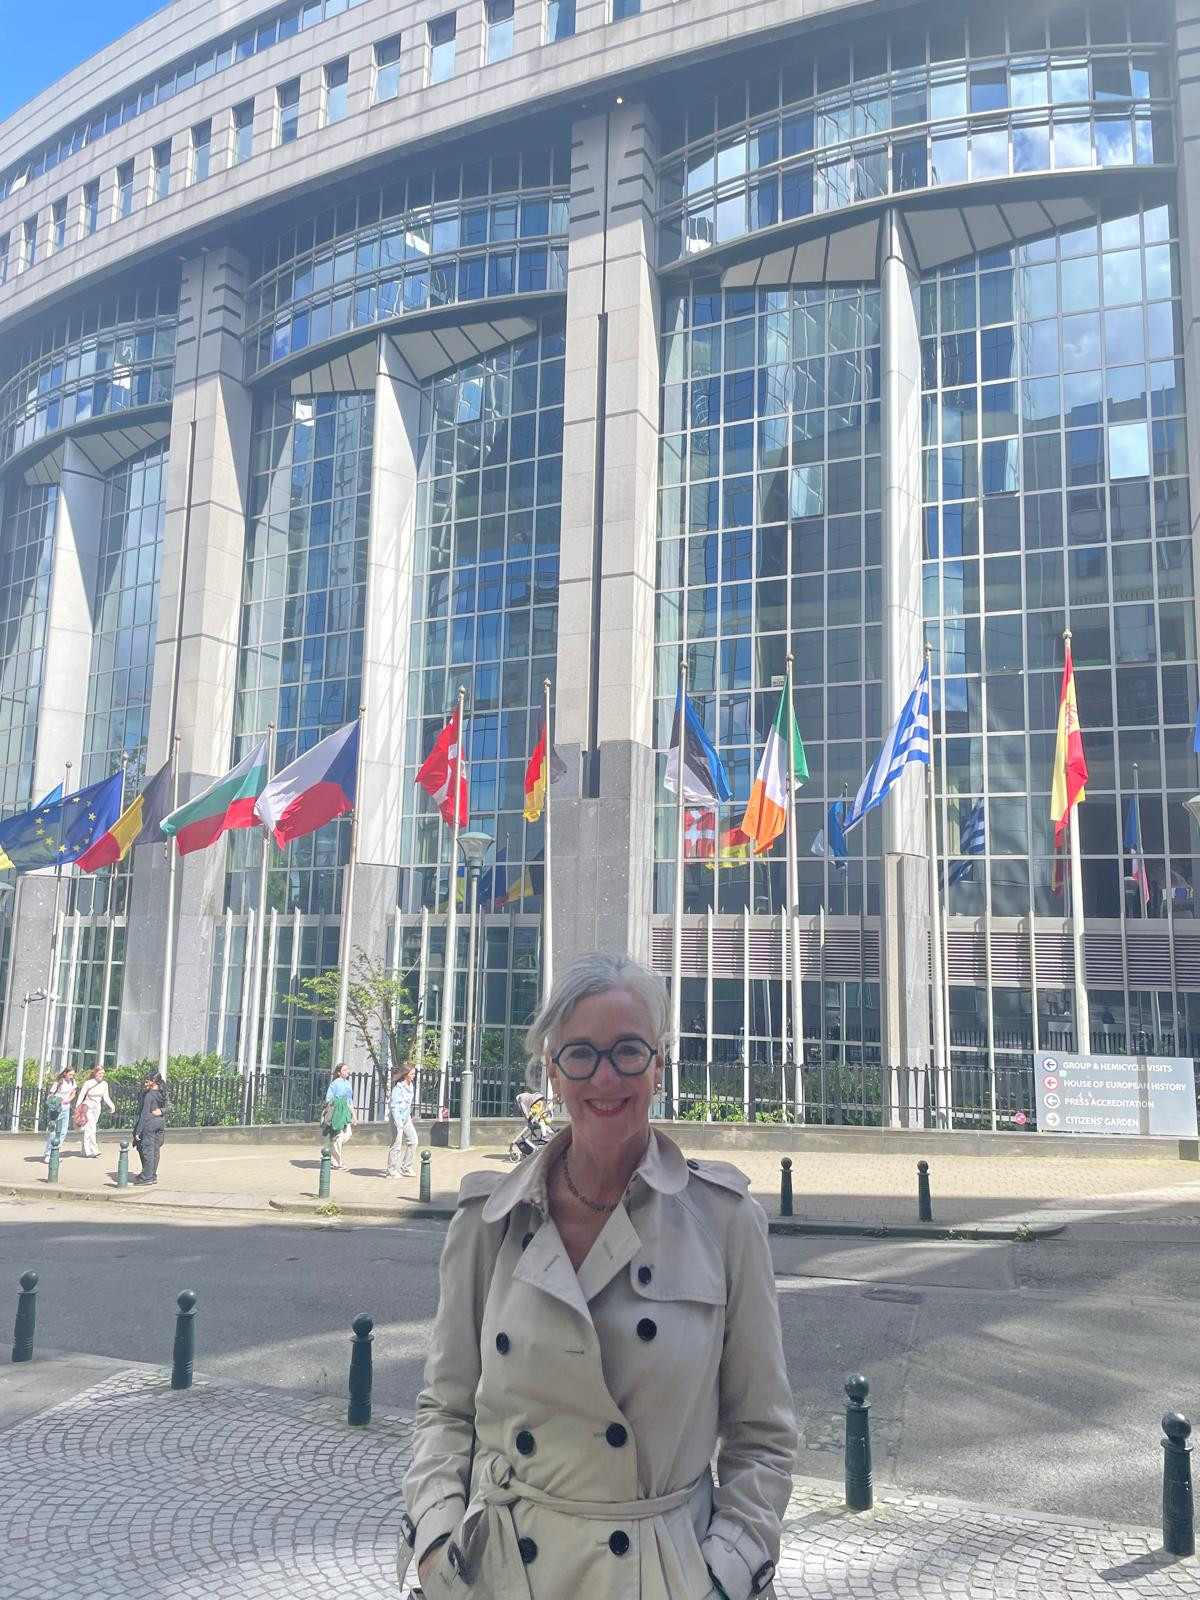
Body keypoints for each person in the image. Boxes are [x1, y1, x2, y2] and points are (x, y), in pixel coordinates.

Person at [400, 954, 797, 1600]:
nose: (605, 1076)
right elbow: (445, 1409)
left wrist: (723, 1575)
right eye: (581, 1054)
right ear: (553, 1073)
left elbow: (763, 1434)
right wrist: (438, 1543)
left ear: (659, 1066)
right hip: (504, 1575)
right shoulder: (488, 1222)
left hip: (661, 1578)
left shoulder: (724, 1223)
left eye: (628, 1052)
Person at [132, 1072, 168, 1185]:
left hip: (149, 1124)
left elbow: (144, 1113)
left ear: (153, 1082)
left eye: (148, 1081)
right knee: (155, 1150)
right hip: (160, 1123)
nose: (145, 1083)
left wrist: (138, 1131)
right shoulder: (163, 1093)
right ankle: (152, 1175)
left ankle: (146, 1177)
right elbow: (168, 1106)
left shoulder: (149, 1095)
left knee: (148, 1150)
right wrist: (162, 1112)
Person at [74, 1065, 116, 1158]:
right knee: (91, 1127)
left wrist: (112, 1105)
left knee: (90, 1128)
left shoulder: (104, 1084)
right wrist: (77, 1108)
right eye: (100, 1073)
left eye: (103, 1073)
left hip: (97, 1106)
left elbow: (106, 1097)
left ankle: (84, 1150)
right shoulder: (88, 1083)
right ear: (95, 1073)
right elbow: (81, 1095)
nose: (101, 1075)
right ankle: (92, 1149)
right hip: (88, 1105)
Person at [385, 1064, 418, 1179]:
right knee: (396, 1145)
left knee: (413, 1141)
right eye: (412, 1074)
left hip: (406, 1118)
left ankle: (406, 1167)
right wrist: (398, 1123)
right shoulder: (398, 1088)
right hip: (396, 1119)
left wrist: (408, 1116)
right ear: (405, 1075)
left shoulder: (411, 1086)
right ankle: (391, 1171)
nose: (414, 1076)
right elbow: (394, 1107)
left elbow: (408, 1104)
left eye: (414, 1074)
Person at [324, 1062, 355, 1168]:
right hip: (337, 1110)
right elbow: (329, 1098)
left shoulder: (348, 1083)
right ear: (338, 1072)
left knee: (347, 1134)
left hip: (345, 1110)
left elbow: (350, 1100)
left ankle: (332, 1148)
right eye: (344, 1070)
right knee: (338, 1136)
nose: (347, 1072)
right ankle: (337, 1162)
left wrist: (354, 1115)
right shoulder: (335, 1083)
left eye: (347, 1070)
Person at [42, 1067, 77, 1163]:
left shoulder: (72, 1082)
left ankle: (56, 1151)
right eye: (70, 1074)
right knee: (54, 1131)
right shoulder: (58, 1083)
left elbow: (74, 1093)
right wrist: (58, 1100)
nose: (72, 1076)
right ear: (65, 1073)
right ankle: (48, 1153)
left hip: (66, 1109)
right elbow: (50, 1095)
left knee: (63, 1131)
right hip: (57, 1109)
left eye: (73, 1075)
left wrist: (68, 1100)